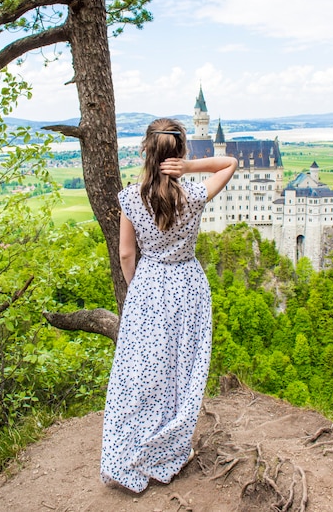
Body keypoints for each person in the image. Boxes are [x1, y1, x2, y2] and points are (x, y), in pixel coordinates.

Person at [100, 117, 237, 493]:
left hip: (148, 286)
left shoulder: (130, 197)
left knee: (139, 374)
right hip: (186, 287)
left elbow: (126, 254)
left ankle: (126, 452)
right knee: (180, 372)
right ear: (178, 155)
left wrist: (138, 290)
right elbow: (229, 164)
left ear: (146, 150)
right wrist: (188, 167)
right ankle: (167, 450)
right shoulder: (191, 195)